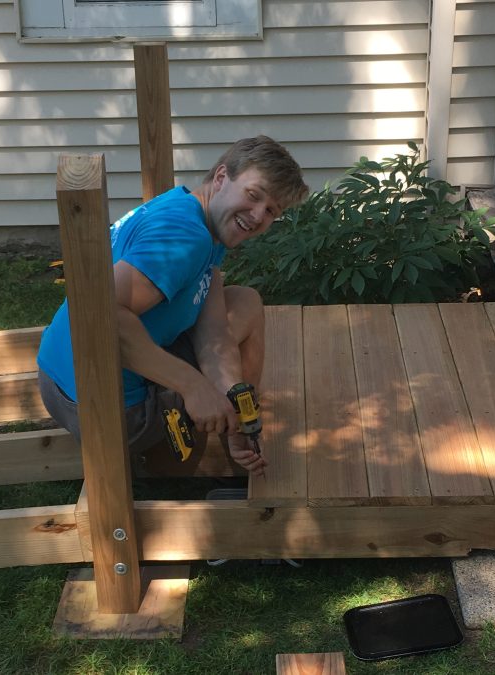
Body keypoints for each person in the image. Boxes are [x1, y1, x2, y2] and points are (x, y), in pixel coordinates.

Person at [36, 136, 309, 477]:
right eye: (254, 196)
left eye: (272, 211)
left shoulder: (195, 213)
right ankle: (183, 416)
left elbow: (214, 333)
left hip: (57, 378)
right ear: (222, 177)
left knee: (244, 301)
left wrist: (238, 419)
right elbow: (99, 315)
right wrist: (192, 387)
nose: (257, 216)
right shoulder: (186, 237)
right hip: (107, 408)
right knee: (243, 310)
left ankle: (235, 424)